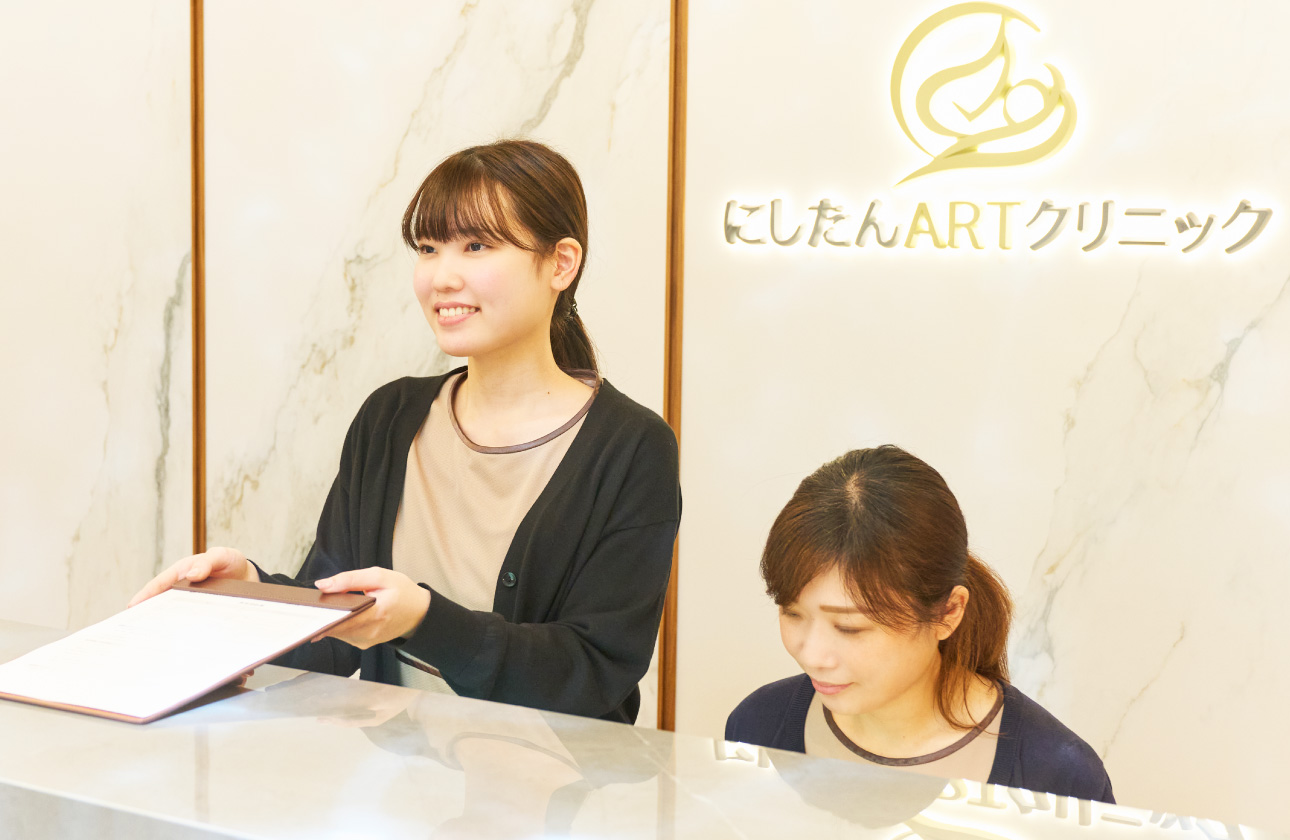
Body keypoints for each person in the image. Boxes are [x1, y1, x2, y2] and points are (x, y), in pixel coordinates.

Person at [131, 139, 680, 724]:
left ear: (560, 264)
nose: (441, 277)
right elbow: (338, 633)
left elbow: (590, 674)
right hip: (399, 776)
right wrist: (252, 591)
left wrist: (424, 620)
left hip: (554, 777)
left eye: (476, 246)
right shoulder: (390, 418)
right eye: (428, 249)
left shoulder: (632, 447)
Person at [725, 446, 1112, 802]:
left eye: (849, 627)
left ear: (948, 612)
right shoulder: (758, 726)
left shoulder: (1058, 775)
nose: (812, 656)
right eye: (792, 613)